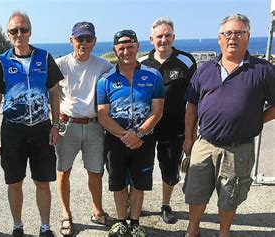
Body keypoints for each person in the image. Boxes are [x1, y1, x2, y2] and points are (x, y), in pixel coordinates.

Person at [183, 13, 275, 237]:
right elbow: (192, 105)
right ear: (219, 38)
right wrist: (188, 137)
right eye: (228, 33)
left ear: (248, 36)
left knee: (229, 195)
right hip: (204, 144)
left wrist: (257, 119)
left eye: (239, 32)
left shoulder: (262, 70)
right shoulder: (205, 69)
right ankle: (193, 229)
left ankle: (224, 233)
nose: (233, 37)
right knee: (195, 192)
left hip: (238, 149)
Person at [0, 11, 63, 237]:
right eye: (14, 30)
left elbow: (54, 93)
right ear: (8, 34)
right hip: (13, 130)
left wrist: (55, 125)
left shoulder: (45, 57)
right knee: (15, 182)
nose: (19, 34)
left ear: (30, 31)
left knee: (43, 182)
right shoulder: (1, 61)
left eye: (23, 29)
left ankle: (45, 227)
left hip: (41, 128)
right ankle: (18, 226)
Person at [97, 29, 164, 237]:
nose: (126, 51)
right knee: (118, 182)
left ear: (137, 47)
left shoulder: (153, 75)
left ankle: (134, 222)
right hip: (116, 140)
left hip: (144, 139)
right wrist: (125, 135)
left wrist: (139, 133)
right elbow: (102, 115)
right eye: (121, 48)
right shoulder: (105, 79)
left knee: (138, 182)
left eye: (130, 47)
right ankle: (121, 221)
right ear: (115, 50)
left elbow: (157, 110)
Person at [55, 21, 114, 236]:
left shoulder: (104, 66)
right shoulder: (59, 64)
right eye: (80, 38)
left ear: (95, 41)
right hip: (67, 125)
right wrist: (54, 118)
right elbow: (46, 93)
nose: (84, 43)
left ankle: (97, 212)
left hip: (94, 126)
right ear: (72, 40)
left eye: (89, 39)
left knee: (96, 172)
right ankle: (66, 215)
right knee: (63, 172)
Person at [138, 17, 197, 224]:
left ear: (174, 37)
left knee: (169, 168)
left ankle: (165, 204)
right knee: (140, 166)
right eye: (159, 36)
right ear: (151, 39)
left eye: (167, 35)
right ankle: (136, 205)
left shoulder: (187, 61)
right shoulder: (142, 62)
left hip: (174, 127)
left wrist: (191, 133)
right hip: (145, 126)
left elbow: (194, 98)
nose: (163, 40)